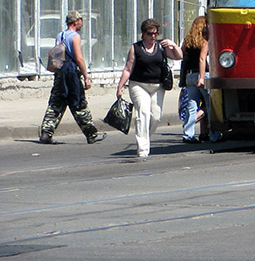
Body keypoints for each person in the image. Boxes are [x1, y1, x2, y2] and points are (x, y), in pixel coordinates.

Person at [116, 19, 183, 160]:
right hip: (138, 85)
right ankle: (143, 149)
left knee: (156, 117)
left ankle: (144, 136)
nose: (153, 36)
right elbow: (128, 68)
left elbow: (179, 56)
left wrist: (173, 45)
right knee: (143, 114)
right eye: (150, 33)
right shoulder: (136, 48)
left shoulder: (161, 47)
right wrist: (120, 86)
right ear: (143, 34)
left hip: (158, 87)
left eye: (156, 33)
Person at [39, 11, 106, 145]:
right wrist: (86, 76)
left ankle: (46, 133)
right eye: (81, 20)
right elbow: (79, 58)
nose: (82, 23)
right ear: (76, 22)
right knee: (78, 102)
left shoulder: (60, 35)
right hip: (71, 74)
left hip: (60, 73)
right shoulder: (75, 37)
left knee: (56, 102)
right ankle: (91, 134)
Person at [179, 15, 210, 143]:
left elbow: (182, 55)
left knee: (192, 105)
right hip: (202, 75)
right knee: (209, 105)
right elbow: (202, 59)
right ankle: (214, 133)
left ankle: (188, 134)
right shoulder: (204, 41)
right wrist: (202, 77)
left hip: (189, 75)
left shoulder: (187, 40)